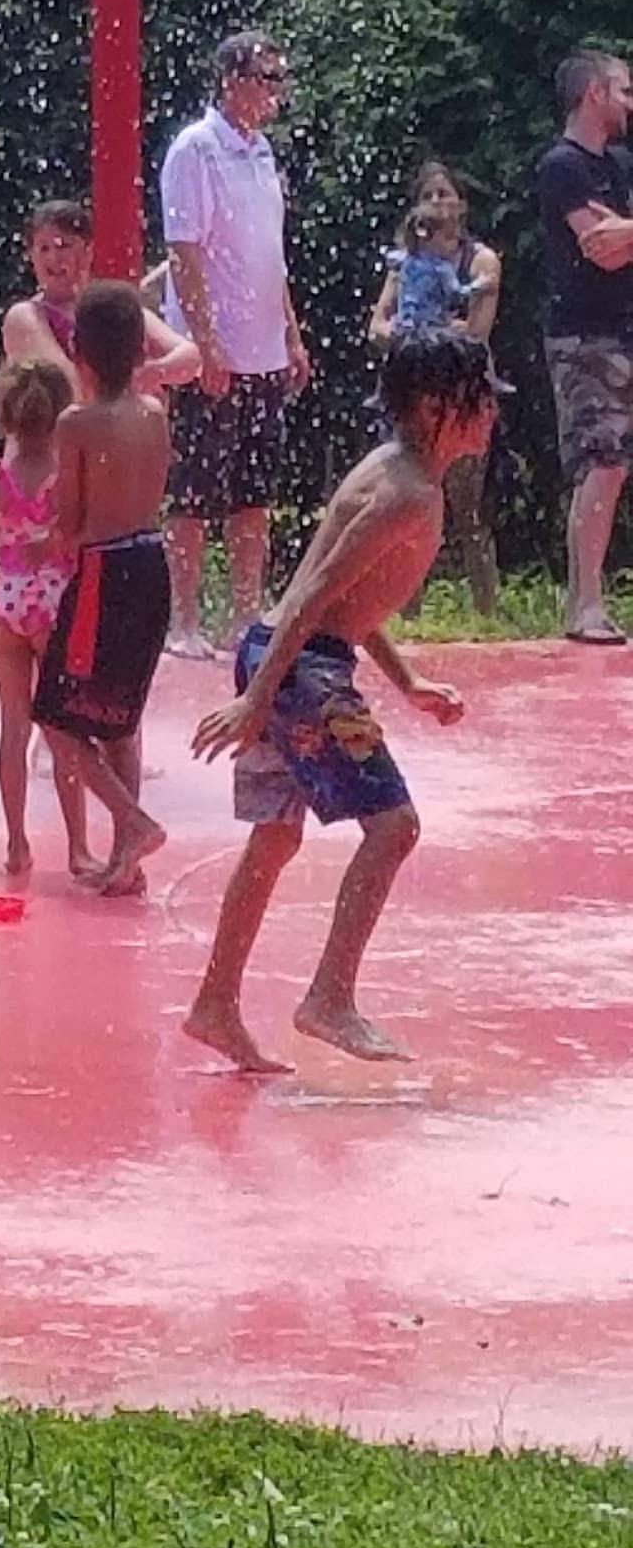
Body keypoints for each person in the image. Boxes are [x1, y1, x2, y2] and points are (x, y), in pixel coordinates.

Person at [184, 330, 496, 1074]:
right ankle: (329, 996)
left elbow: (345, 600)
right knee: (394, 828)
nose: (491, 413)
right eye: (480, 400)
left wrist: (406, 680)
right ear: (432, 407)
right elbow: (318, 593)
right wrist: (261, 699)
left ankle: (215, 1005)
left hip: (288, 656)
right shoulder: (408, 494)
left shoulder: (397, 472)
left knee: (276, 836)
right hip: (302, 672)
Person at [159, 32, 313, 658]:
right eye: (267, 79)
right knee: (195, 490)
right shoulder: (196, 149)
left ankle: (246, 615)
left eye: (281, 80)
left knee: (255, 491)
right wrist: (205, 343)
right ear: (232, 80)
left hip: (265, 349)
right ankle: (183, 620)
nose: (277, 93)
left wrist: (292, 335)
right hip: (211, 352)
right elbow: (185, 251)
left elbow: (269, 254)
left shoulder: (261, 152)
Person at [32, 281, 173, 896]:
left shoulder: (77, 423)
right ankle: (126, 862)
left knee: (57, 717)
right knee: (121, 720)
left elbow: (71, 524)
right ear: (141, 349)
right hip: (151, 564)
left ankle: (133, 822)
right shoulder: (155, 414)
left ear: (77, 352)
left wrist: (35, 546)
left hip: (103, 574)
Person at [0, 359, 96, 878]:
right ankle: (77, 848)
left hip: (7, 607)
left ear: (5, 415)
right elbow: (84, 532)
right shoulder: (68, 474)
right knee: (64, 731)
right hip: (57, 607)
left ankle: (17, 844)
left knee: (12, 728)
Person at [369, 161, 504, 616]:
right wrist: (426, 333)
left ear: (462, 204)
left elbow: (476, 333)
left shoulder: (481, 260)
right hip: (413, 392)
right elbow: (377, 326)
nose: (438, 203)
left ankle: (487, 612)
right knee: (407, 503)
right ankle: (404, 610)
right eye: (429, 195)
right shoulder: (404, 260)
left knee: (467, 508)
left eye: (446, 194)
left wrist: (414, 336)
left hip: (461, 395)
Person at [538, 48, 633, 645]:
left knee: (617, 466)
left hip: (624, 326)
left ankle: (590, 602)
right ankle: (584, 605)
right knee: (602, 462)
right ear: (594, 93)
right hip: (583, 333)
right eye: (624, 90)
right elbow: (601, 246)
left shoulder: (622, 164)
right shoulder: (562, 166)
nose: (630, 102)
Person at [2, 199, 201, 393]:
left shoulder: (109, 305)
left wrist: (151, 373)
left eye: (64, 246)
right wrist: (127, 392)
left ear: (88, 250)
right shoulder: (25, 317)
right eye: (43, 249)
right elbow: (66, 386)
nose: (53, 258)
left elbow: (191, 356)